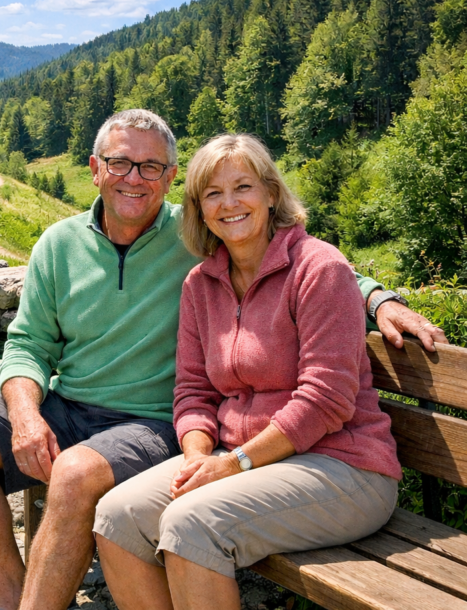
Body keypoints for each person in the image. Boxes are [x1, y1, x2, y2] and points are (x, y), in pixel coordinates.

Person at [0, 111, 443, 610]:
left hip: (164, 426)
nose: (135, 178)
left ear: (171, 178)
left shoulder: (198, 238)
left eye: (151, 167)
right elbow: (29, 345)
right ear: (95, 167)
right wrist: (24, 416)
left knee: (98, 483)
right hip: (87, 408)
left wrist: (380, 299)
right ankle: (16, 596)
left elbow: (313, 267)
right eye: (120, 162)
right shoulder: (118, 252)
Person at [93, 133, 403, 610]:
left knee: (191, 523)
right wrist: (199, 455)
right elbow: (193, 392)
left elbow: (327, 399)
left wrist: (233, 464)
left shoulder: (319, 269)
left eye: (243, 187)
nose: (229, 204)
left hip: (344, 467)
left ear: (271, 193)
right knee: (117, 515)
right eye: (213, 193)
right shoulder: (201, 284)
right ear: (198, 209)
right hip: (242, 459)